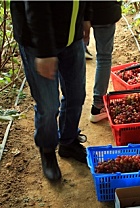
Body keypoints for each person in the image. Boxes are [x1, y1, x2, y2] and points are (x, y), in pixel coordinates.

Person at [10, 1, 88, 181]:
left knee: (76, 95)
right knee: (48, 104)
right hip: (37, 42)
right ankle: (47, 150)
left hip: (71, 35)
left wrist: (85, 17)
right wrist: (45, 52)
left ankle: (68, 141)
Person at [84, 1, 122, 123]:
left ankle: (69, 108)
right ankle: (98, 106)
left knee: (73, 57)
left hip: (79, 10)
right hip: (104, 10)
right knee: (104, 58)